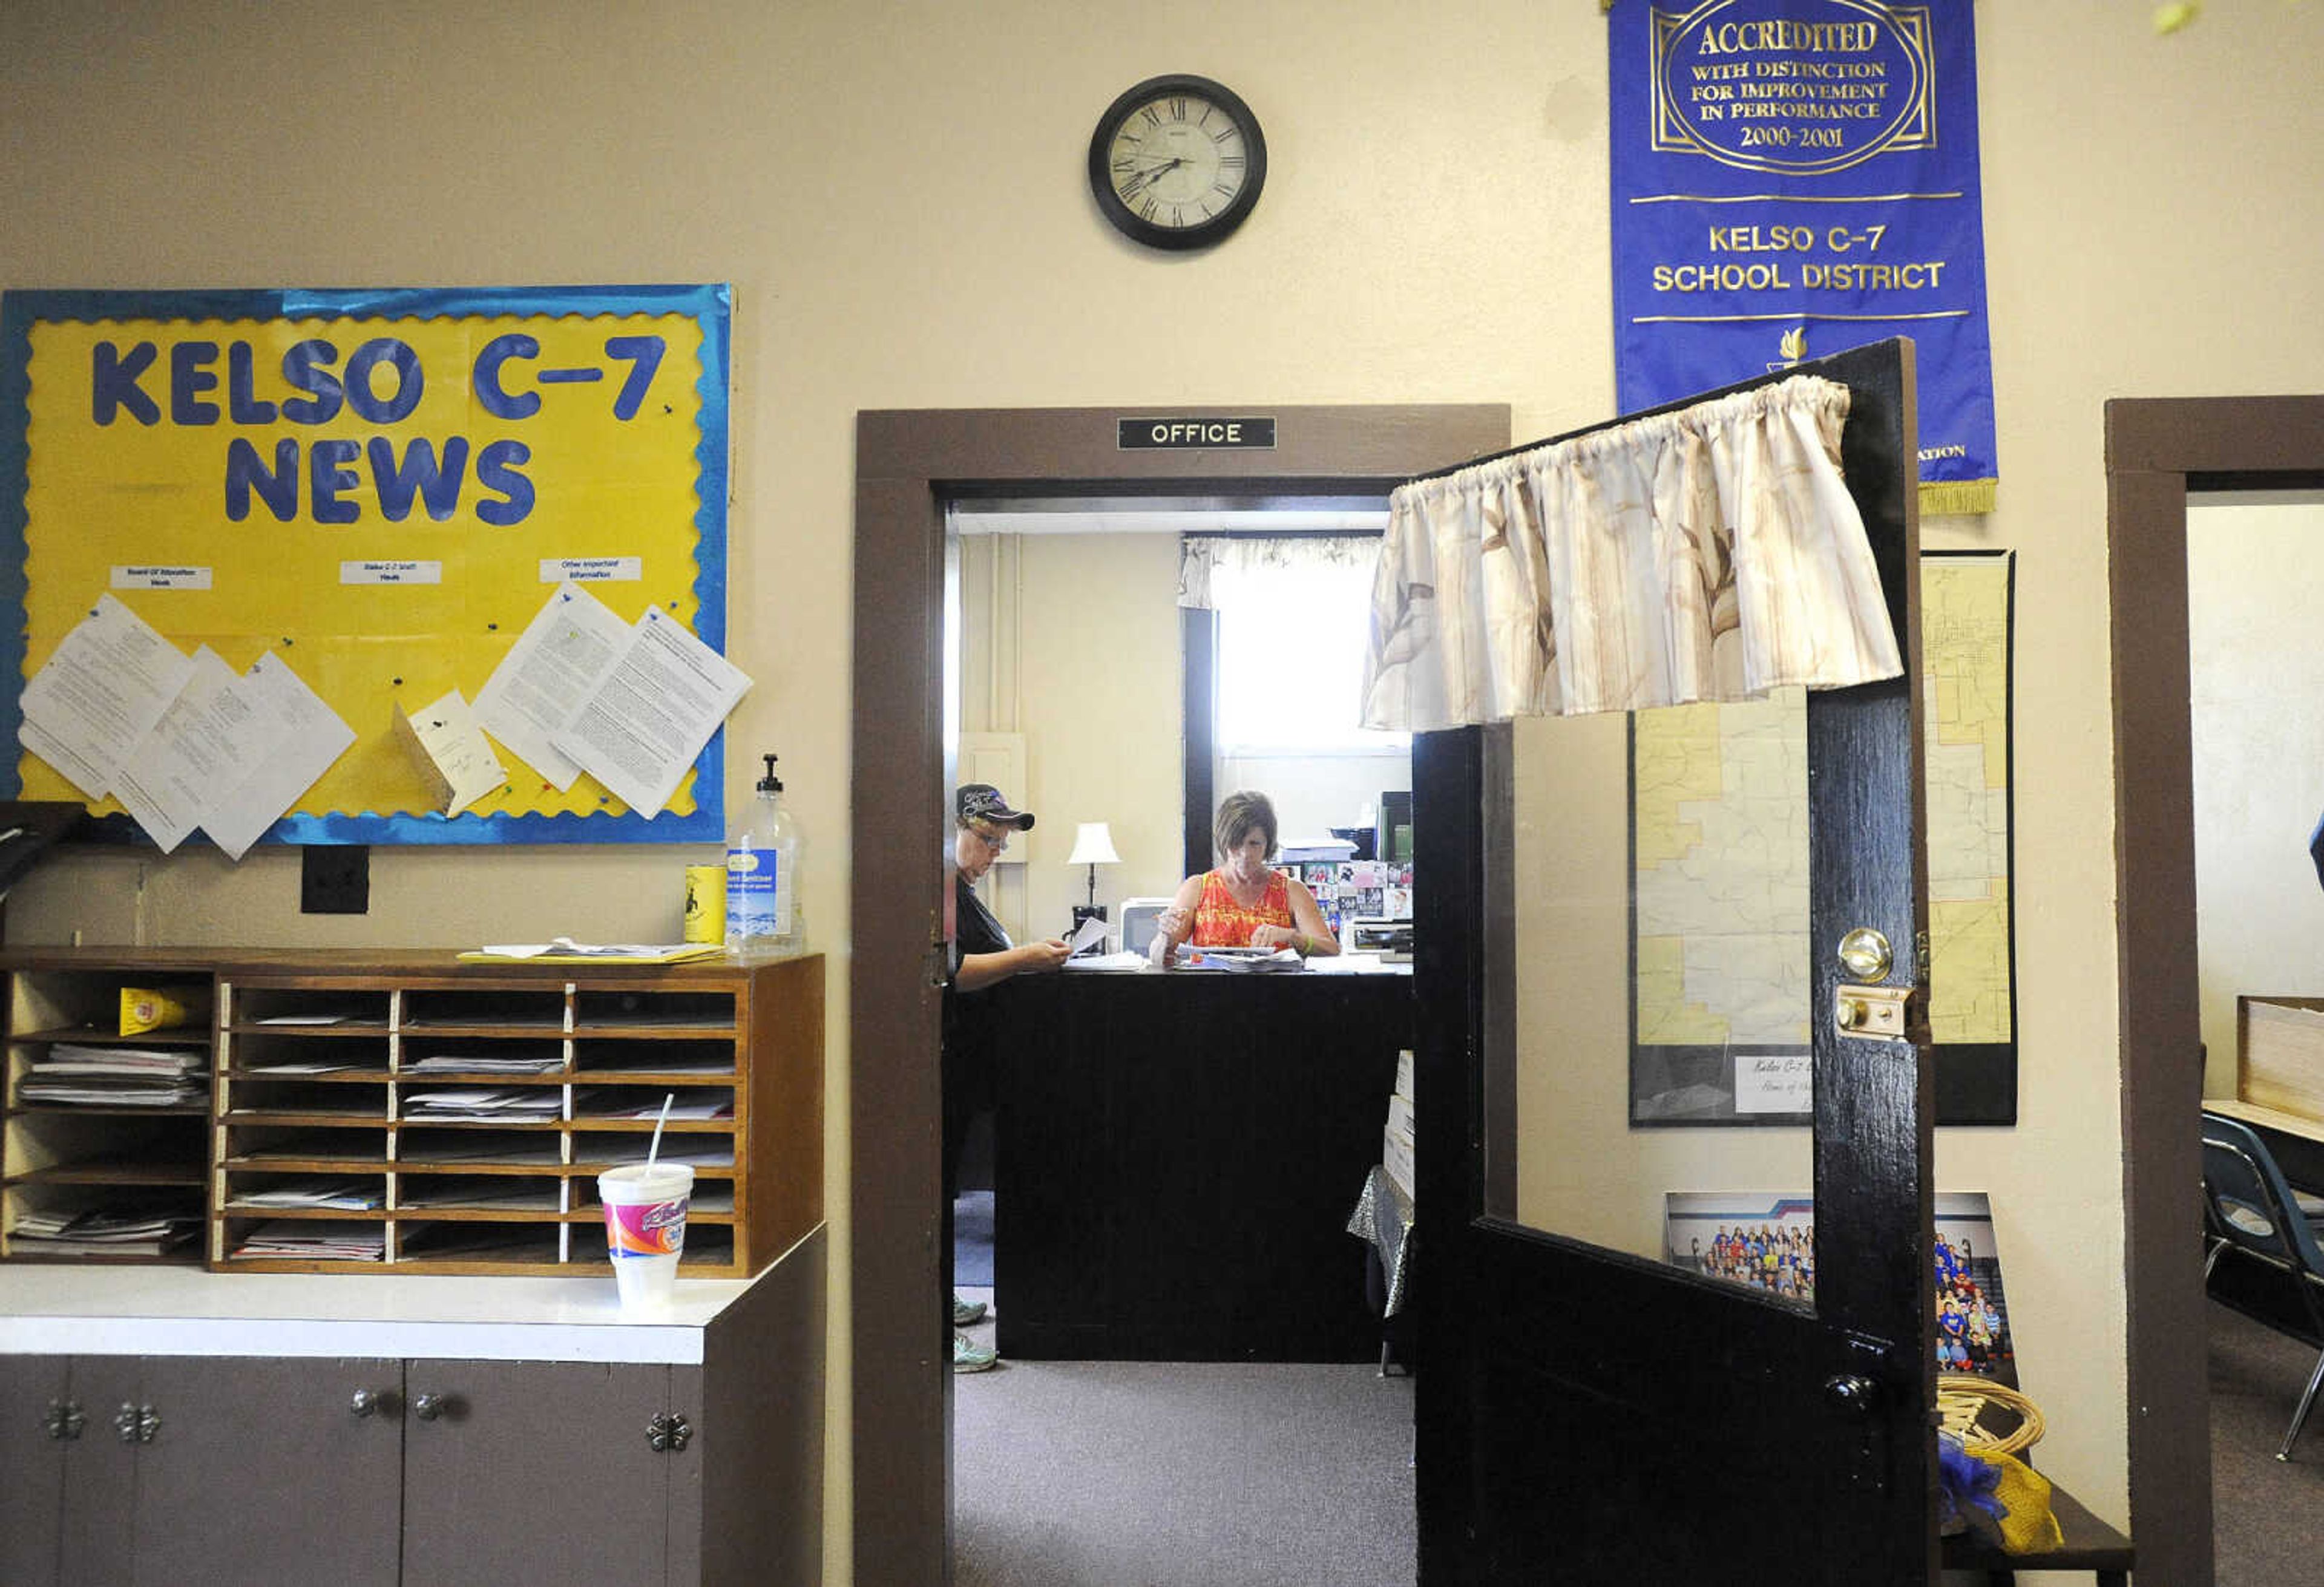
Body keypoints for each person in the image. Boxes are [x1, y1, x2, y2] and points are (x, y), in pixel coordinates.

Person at [944, 783, 1071, 1371]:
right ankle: (931, 1331)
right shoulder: (938, 887)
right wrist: (1024, 958)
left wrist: (1023, 953)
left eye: (1000, 842)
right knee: (931, 1198)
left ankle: (937, 1302)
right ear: (953, 830)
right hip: (943, 1065)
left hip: (971, 1069)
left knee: (940, 1193)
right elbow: (954, 972)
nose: (994, 852)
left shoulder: (964, 892)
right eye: (987, 839)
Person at [1150, 790, 1342, 966]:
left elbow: (1332, 948)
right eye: (1236, 844)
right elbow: (1159, 959)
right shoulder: (1198, 887)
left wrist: (1292, 937)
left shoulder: (1290, 890)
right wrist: (1164, 935)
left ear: (1268, 845)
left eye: (1254, 844)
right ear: (1224, 842)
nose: (1245, 854)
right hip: (1208, 996)